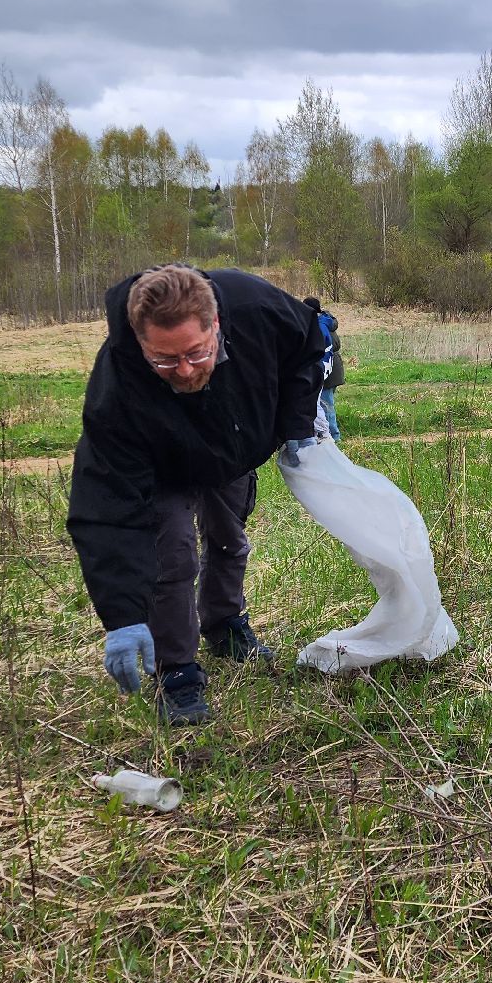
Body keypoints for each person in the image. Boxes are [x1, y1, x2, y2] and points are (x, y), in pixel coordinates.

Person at [68, 264, 327, 726]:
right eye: (164, 361)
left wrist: (298, 424)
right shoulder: (117, 393)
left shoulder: (257, 307)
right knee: (172, 557)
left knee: (229, 537)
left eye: (196, 353)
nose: (184, 371)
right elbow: (106, 509)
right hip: (161, 463)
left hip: (233, 440)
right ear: (139, 338)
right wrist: (122, 616)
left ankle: (225, 624)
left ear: (218, 325)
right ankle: (178, 672)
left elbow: (310, 344)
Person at [303, 296, 345, 442]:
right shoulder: (326, 322)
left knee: (326, 404)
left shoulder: (320, 326)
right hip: (332, 366)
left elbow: (326, 348)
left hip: (327, 368)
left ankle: (334, 436)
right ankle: (326, 434)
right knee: (325, 403)